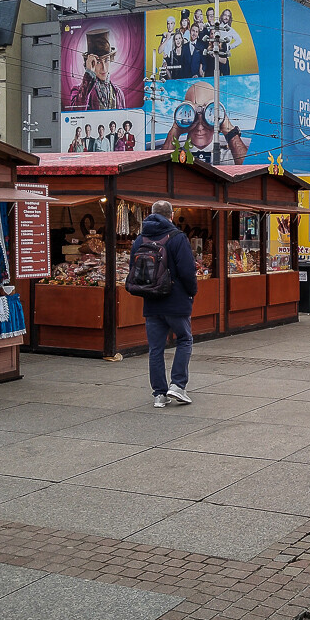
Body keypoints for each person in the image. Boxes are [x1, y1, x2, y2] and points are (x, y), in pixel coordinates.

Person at [135, 200, 199, 408]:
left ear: (151, 214)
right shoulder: (177, 237)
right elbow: (188, 271)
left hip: (151, 302)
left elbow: (135, 272)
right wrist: (191, 293)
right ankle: (178, 385)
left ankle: (159, 394)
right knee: (184, 340)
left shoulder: (140, 239)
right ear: (171, 215)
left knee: (155, 348)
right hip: (176, 300)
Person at [161, 80, 248, 165]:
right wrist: (176, 129)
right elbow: (159, 171)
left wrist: (229, 129)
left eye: (207, 119)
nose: (199, 128)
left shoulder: (231, 154)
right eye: (194, 119)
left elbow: (249, 171)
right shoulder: (176, 154)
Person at [74, 29, 125, 111]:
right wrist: (89, 73)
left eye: (106, 60)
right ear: (90, 63)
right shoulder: (78, 91)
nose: (104, 68)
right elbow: (77, 111)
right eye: (98, 62)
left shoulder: (118, 93)